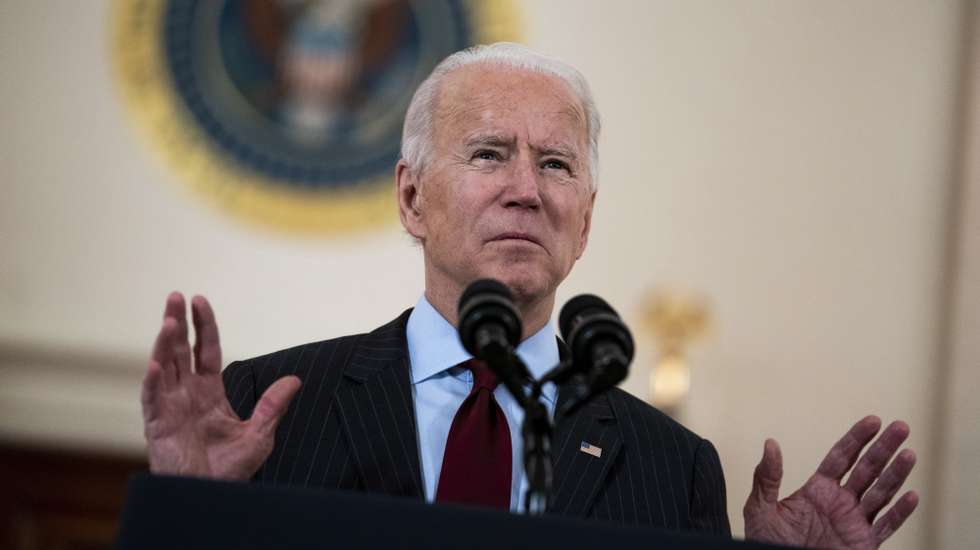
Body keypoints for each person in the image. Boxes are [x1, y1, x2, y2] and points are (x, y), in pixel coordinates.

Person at [140, 43, 918, 548]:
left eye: (555, 164)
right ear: (412, 198)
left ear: (584, 220)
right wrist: (183, 519)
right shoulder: (268, 408)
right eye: (488, 154)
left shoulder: (673, 467)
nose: (525, 191)